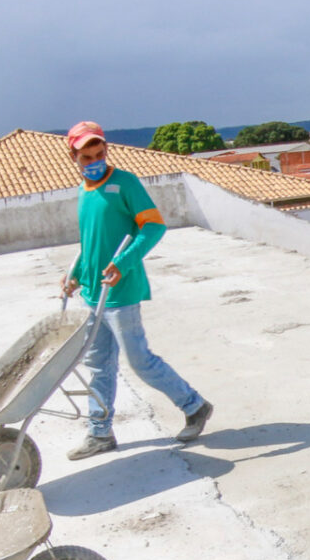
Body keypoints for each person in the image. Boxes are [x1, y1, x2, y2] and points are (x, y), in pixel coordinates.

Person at [61, 121, 213, 460]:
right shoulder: (84, 190)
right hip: (93, 294)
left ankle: (195, 405)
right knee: (98, 365)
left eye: (100, 153)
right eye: (88, 156)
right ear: (73, 156)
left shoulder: (125, 183)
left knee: (139, 360)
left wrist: (124, 263)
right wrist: (74, 274)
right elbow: (90, 243)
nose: (95, 160)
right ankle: (100, 433)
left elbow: (154, 226)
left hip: (122, 291)